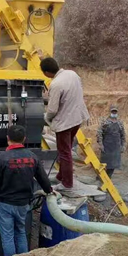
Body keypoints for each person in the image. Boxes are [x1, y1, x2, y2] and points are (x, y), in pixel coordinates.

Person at [0, 125, 55, 256]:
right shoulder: (32, 157)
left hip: (5, 205)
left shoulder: (1, 158)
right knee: (21, 233)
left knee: (7, 237)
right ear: (24, 139)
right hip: (23, 204)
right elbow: (43, 178)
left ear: (7, 138)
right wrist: (49, 190)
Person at [41, 57, 90, 191]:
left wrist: (46, 118)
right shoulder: (72, 74)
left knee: (64, 152)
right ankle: (61, 176)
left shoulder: (56, 84)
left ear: (46, 72)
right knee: (66, 150)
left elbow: (52, 110)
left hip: (65, 123)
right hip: (77, 118)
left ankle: (67, 183)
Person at [97, 105, 126, 178]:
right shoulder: (105, 122)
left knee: (113, 164)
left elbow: (123, 135)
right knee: (104, 163)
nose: (114, 113)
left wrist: (123, 145)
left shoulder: (120, 123)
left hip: (116, 147)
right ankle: (100, 177)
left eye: (115, 111)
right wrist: (101, 144)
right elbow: (99, 133)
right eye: (113, 111)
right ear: (110, 112)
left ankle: (108, 177)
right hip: (106, 146)